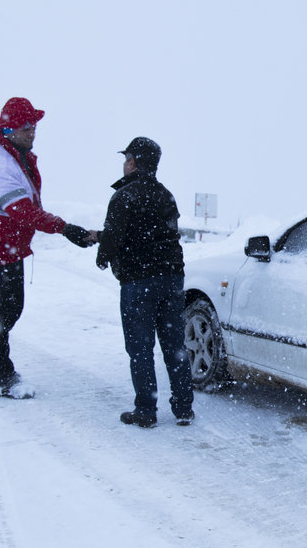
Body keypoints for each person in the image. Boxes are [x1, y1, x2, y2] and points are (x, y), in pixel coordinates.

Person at [0, 96, 95, 398]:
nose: (33, 132)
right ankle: (2, 375)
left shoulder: (17, 154)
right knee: (3, 311)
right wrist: (64, 228)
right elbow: (23, 210)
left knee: (6, 309)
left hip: (7, 247)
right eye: (27, 127)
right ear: (8, 129)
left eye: (34, 126)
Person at [92, 137, 194, 428]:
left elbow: (113, 238)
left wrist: (102, 256)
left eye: (126, 159)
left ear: (133, 162)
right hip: (172, 278)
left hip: (139, 282)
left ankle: (146, 411)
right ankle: (184, 407)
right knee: (174, 344)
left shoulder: (124, 196)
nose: (124, 164)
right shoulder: (166, 196)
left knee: (140, 347)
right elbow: (163, 235)